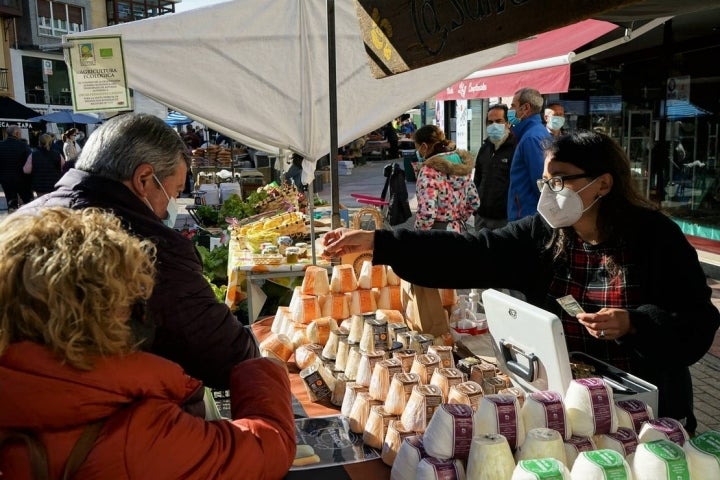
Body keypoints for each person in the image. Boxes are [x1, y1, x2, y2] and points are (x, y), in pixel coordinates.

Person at [322, 130, 720, 434]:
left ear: (603, 183)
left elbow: (698, 321)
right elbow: (472, 252)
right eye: (546, 181)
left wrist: (636, 323)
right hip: (572, 408)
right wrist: (382, 243)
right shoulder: (542, 234)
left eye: (561, 180)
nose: (548, 191)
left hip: (647, 415)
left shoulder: (656, 238)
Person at [0, 207, 295, 479]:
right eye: (129, 299)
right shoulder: (135, 434)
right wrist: (260, 370)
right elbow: (266, 447)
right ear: (103, 311)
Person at [16, 113, 261, 389]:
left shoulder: (21, 220)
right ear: (144, 179)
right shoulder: (152, 248)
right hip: (114, 418)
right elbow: (226, 358)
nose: (175, 202)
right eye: (176, 191)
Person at [413, 124, 479, 232]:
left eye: (417, 147)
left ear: (424, 146)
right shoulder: (461, 165)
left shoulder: (429, 171)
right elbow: (474, 202)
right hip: (457, 229)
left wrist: (418, 233)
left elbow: (427, 213)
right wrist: (456, 221)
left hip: (436, 233)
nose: (418, 152)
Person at [507, 87, 552, 221]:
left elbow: (541, 183)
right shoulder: (534, 133)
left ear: (525, 108)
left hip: (527, 218)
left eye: (513, 106)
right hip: (529, 217)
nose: (510, 110)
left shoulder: (531, 138)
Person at [473, 104, 516, 231]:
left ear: (508, 123)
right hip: (481, 215)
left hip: (503, 218)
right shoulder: (485, 148)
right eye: (490, 122)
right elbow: (477, 179)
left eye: (498, 121)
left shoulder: (515, 148)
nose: (494, 125)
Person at [0, 125, 33, 211]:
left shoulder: (1, 145)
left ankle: (13, 221)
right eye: (20, 133)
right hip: (23, 179)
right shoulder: (23, 146)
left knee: (11, 204)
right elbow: (30, 160)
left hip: (6, 179)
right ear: (17, 133)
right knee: (28, 203)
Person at [23, 133, 64, 197]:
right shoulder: (58, 154)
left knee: (42, 204)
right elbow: (63, 168)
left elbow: (26, 170)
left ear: (39, 142)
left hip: (39, 185)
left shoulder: (33, 155)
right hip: (54, 184)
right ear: (51, 142)